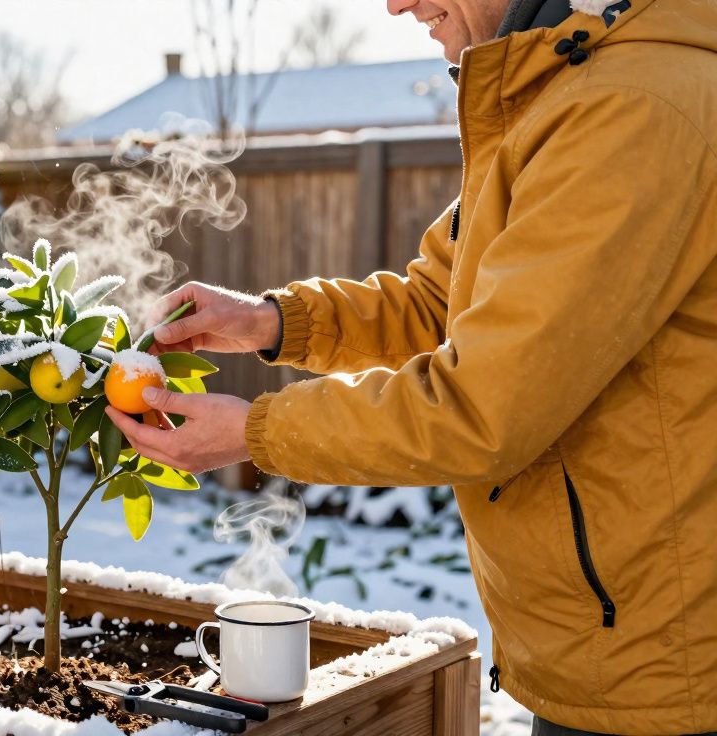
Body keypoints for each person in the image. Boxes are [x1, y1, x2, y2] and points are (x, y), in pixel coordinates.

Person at [105, 0, 717, 734]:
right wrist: (270, 321)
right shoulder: (565, 89)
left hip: (665, 664)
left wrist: (256, 432)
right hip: (611, 644)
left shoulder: (629, 110)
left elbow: (482, 407)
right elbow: (441, 301)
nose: (396, 3)